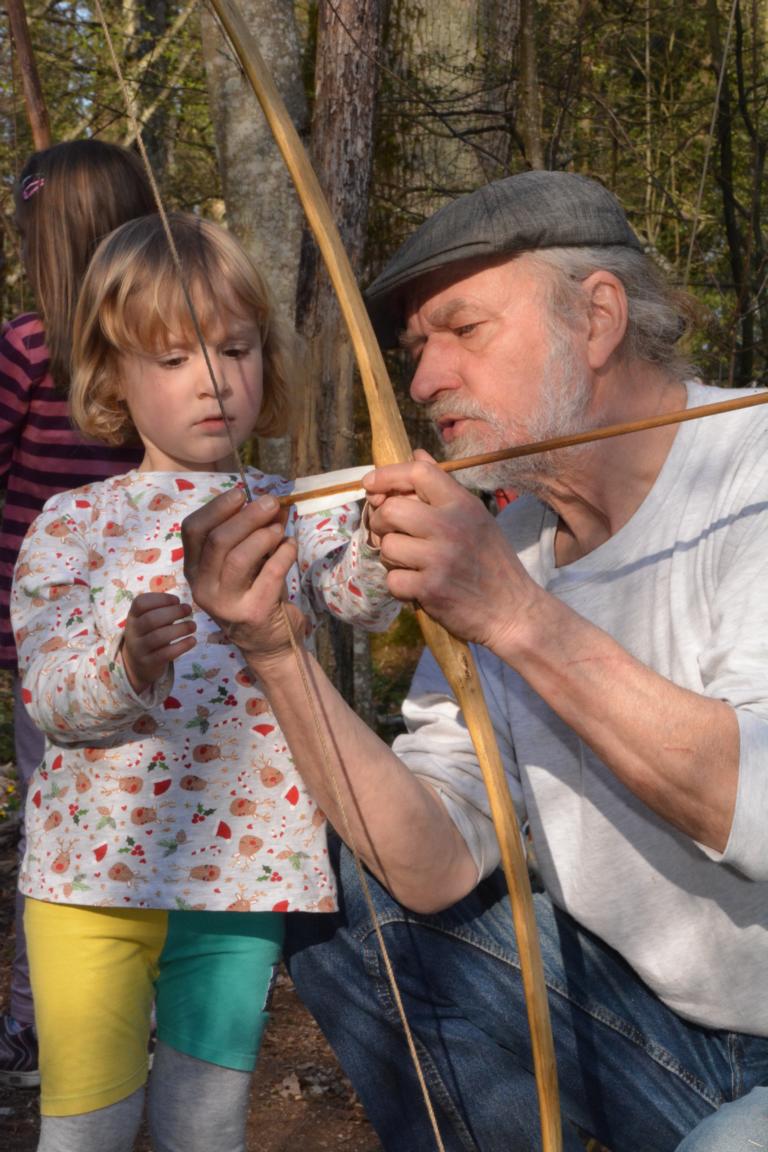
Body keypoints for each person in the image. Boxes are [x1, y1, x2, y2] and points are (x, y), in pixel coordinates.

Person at [180, 170, 768, 1152]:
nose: (422, 383)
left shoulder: (749, 466)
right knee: (331, 889)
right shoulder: (513, 542)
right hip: (645, 1028)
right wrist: (273, 647)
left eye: (463, 329)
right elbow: (433, 868)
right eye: (416, 350)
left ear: (597, 318)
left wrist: (511, 612)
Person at [10, 211, 398, 1152]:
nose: (214, 380)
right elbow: (50, 697)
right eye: (174, 357)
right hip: (91, 876)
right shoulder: (72, 521)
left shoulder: (294, 508)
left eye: (234, 349)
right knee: (88, 1126)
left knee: (205, 1124)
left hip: (242, 874)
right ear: (113, 376)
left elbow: (363, 599)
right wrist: (128, 665)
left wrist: (387, 527)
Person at [0, 139, 153, 1088]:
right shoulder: (157, 345)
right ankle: (115, 1007)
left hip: (59, 642)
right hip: (144, 635)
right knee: (131, 813)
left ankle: (38, 1021)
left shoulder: (28, 347)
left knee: (56, 821)